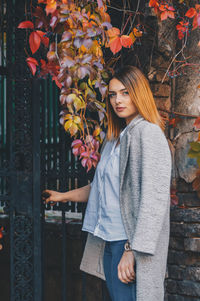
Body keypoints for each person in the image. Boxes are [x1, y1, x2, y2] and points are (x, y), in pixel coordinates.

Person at [43, 65, 172, 301]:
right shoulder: (114, 140)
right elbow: (101, 188)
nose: (117, 101)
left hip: (129, 244)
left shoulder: (148, 135)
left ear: (139, 93)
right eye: (112, 94)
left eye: (125, 93)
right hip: (110, 241)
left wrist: (132, 250)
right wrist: (62, 196)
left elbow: (154, 201)